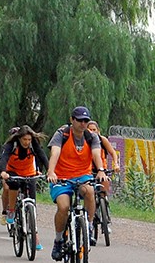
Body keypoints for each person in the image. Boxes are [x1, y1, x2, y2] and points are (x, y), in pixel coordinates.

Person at [46, 106, 108, 261]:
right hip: (61, 177)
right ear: (72, 120)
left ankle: (89, 225)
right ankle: (58, 240)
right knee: (63, 207)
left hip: (82, 176)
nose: (83, 123)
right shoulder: (62, 134)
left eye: (86, 120)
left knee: (90, 191)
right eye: (79, 120)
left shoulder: (91, 137)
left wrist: (101, 170)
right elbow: (55, 152)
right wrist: (51, 172)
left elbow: (96, 154)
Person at [0, 125, 49, 222]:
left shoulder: (33, 144)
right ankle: (11, 210)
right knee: (14, 185)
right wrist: (3, 171)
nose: (27, 142)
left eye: (29, 139)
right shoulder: (12, 144)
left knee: (32, 197)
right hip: (13, 171)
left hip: (29, 172)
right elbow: (4, 158)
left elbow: (41, 155)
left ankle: (32, 221)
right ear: (19, 138)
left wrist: (49, 171)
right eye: (24, 139)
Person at [87, 121, 120, 201]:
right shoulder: (84, 140)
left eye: (94, 129)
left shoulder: (102, 140)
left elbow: (113, 152)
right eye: (90, 130)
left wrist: (116, 163)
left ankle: (104, 203)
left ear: (98, 130)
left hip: (102, 169)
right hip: (88, 170)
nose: (92, 132)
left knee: (104, 190)